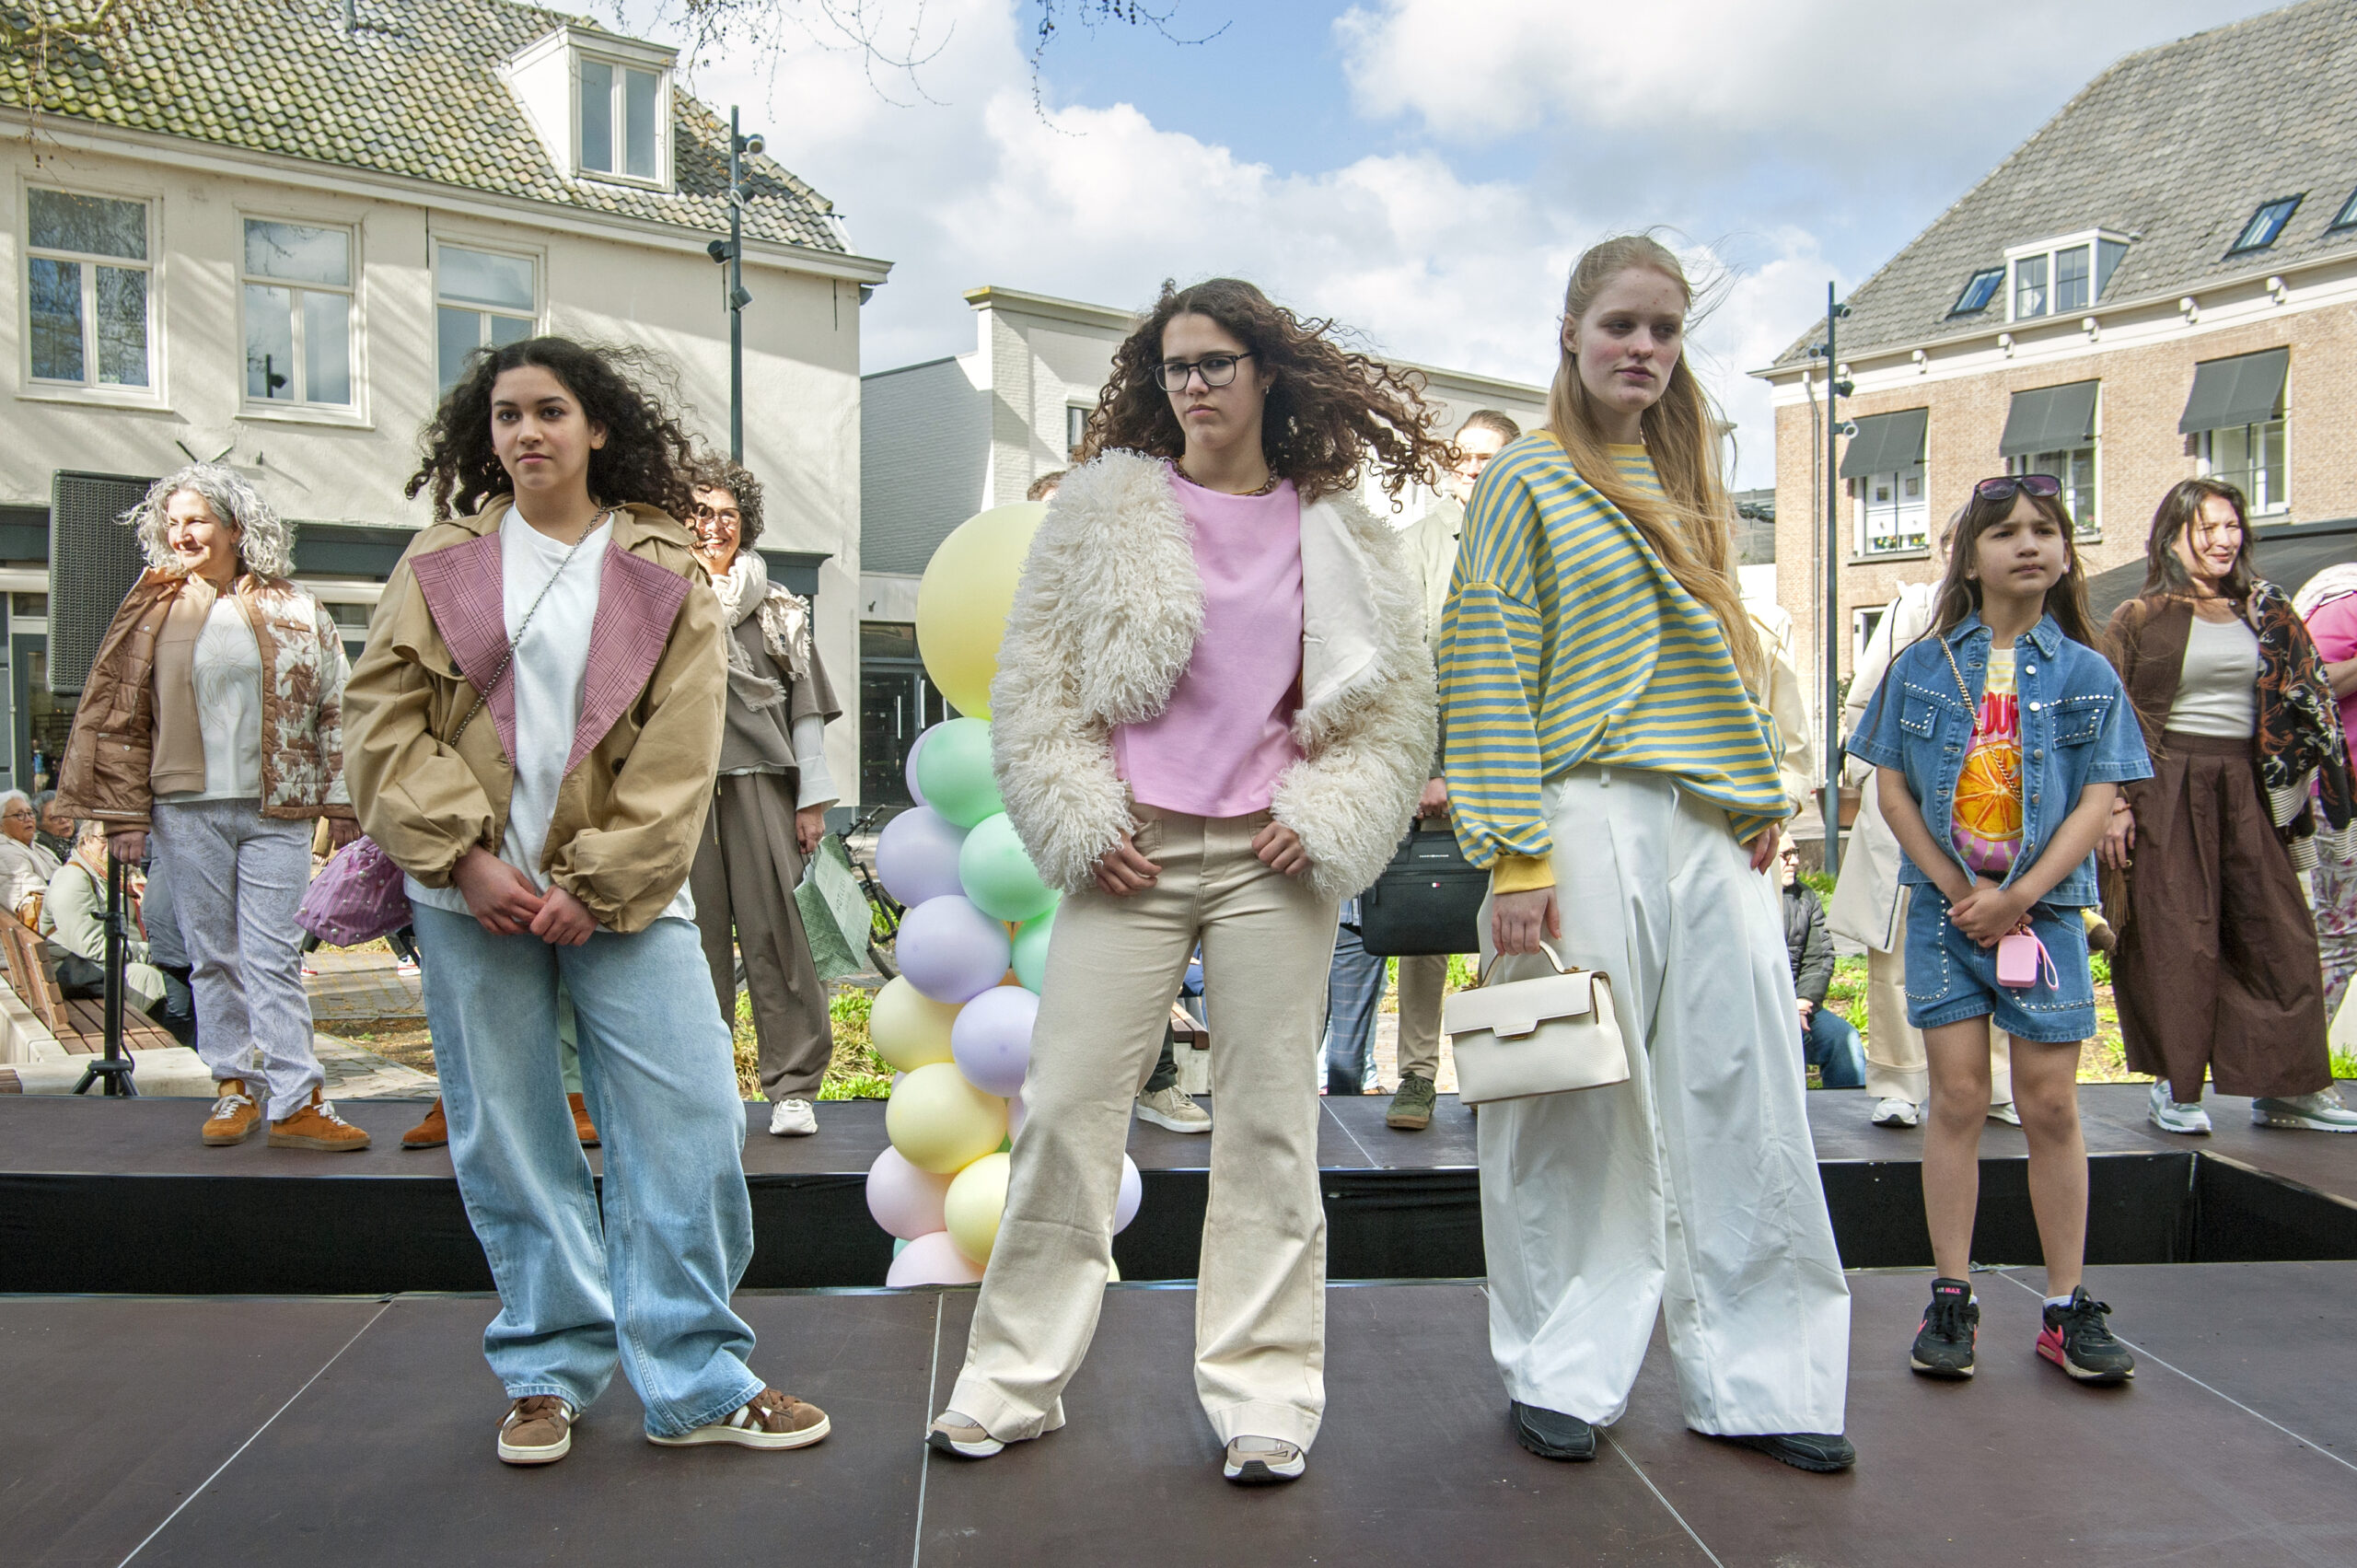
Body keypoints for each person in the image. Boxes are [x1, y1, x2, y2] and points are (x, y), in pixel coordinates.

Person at [927, 278, 1441, 1485]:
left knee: (1269, 1123)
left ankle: (1266, 1394)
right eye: (1174, 367)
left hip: (1274, 857)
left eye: (1215, 362)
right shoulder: (1106, 508)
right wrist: (1072, 811)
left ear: (1267, 373)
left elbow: (1391, 707)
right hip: (1130, 849)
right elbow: (1037, 684)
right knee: (1064, 1110)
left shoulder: (1337, 526)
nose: (1194, 385)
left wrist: (1327, 813)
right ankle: (1011, 1381)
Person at [344, 336, 829, 1467]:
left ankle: (697, 1375)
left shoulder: (661, 563)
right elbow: (380, 725)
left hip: (625, 897)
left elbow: (682, 746)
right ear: (487, 432)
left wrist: (594, 879)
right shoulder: (439, 559)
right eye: (507, 414)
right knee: (510, 1134)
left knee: (693, 1120)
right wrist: (463, 858)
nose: (527, 432)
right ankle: (546, 1368)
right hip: (474, 901)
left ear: (597, 426)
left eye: (550, 410)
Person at [1442, 234, 1852, 1474]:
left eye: (1665, 330)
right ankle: (1562, 1362)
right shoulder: (1526, 476)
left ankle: (1768, 1375)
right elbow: (1488, 662)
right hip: (1576, 814)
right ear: (1571, 332)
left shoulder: (1688, 484)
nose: (1643, 347)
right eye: (1622, 323)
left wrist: (1751, 789)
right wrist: (1515, 857)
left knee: (1751, 1094)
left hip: (1708, 828)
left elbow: (1721, 664)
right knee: (1571, 1102)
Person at [1851, 473, 2151, 1384]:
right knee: (1956, 1096)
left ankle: (2065, 1302)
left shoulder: (2086, 673)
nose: (2027, 544)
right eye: (2004, 531)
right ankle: (1951, 1290)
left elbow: (2101, 792)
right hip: (1948, 919)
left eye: (2044, 530)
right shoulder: (1923, 664)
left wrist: (2021, 896)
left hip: (2045, 920)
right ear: (1968, 557)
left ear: (2063, 553)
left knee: (2052, 1103)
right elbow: (1890, 781)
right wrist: (1952, 884)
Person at [55, 465, 365, 1151]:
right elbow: (121, 714)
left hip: (275, 809)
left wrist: (342, 800)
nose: (182, 533)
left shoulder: (295, 606)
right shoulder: (152, 606)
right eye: (172, 523)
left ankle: (297, 1097)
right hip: (184, 807)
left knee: (274, 953)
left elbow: (337, 706)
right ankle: (233, 1087)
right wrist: (126, 816)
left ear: (235, 525)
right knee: (211, 956)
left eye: (196, 519)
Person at [2102, 479, 2357, 1134]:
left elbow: (2306, 695)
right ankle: (2175, 1087)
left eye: (2231, 526)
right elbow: (2110, 718)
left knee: (2280, 930)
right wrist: (2116, 806)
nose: (2222, 539)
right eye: (2206, 527)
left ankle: (2288, 1087)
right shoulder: (2139, 616)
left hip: (2248, 784)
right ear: (2173, 535)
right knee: (2176, 937)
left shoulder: (2263, 609)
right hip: (2167, 783)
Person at [1831, 517, 2019, 1130]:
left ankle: (1994, 1084)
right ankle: (1898, 1083)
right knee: (1903, 950)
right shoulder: (1915, 608)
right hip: (1909, 806)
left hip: (1994, 812)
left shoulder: (2028, 624)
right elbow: (1864, 703)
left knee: (1997, 941)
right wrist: (1875, 781)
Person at [682, 454, 842, 1139]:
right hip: (680, 795)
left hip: (762, 789)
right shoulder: (661, 597)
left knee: (780, 933)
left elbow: (803, 709)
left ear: (744, 524)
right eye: (700, 511)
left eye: (726, 513)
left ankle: (792, 1086)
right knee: (691, 939)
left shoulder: (776, 605)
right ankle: (704, 1085)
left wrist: (812, 800)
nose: (712, 525)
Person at [1382, 410, 1517, 1131]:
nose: (1469, 467)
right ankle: (1416, 1076)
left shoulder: (1536, 535)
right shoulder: (1413, 548)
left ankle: (1507, 1064)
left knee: (1516, 922)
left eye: (1486, 455)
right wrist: (1431, 771)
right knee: (1430, 925)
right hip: (1445, 779)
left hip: (1522, 770)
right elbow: (1409, 670)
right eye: (1461, 455)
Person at [42, 819, 180, 1027]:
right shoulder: (72, 878)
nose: (112, 845)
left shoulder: (120, 875)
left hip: (100, 964)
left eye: (118, 838)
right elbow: (91, 946)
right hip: (76, 971)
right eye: (104, 839)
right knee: (150, 979)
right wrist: (152, 952)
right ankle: (169, 1045)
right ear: (86, 840)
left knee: (180, 973)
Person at [2295, 563, 2357, 1022]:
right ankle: (2299, 1075)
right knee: (2338, 937)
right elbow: (2307, 685)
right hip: (2342, 798)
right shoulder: (2345, 606)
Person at [1779, 840, 1864, 1088]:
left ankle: (1847, 1118)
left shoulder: (1805, 897)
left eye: (1795, 852)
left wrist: (1803, 1004)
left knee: (1843, 1039)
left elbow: (1820, 958)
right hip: (1753, 1010)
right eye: (1785, 855)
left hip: (1798, 1005)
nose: (1794, 860)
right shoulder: (1740, 897)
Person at [0, 791, 62, 924]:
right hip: (49, 931)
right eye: (19, 815)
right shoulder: (5, 854)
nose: (28, 819)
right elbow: (34, 901)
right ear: (1, 825)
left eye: (30, 813)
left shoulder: (37, 847)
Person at [33, 790, 75, 861]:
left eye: (65, 812)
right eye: (54, 818)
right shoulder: (41, 852)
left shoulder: (88, 839)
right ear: (40, 826)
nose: (63, 820)